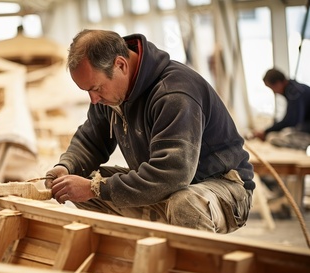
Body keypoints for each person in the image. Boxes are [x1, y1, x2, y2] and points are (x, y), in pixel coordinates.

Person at [44, 29, 255, 233]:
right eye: (88, 91)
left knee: (184, 203)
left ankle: (194, 266)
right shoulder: (110, 94)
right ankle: (132, 253)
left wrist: (95, 188)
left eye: (96, 88)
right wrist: (67, 166)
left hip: (223, 188)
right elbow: (91, 141)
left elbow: (173, 174)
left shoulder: (174, 92)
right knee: (75, 183)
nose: (94, 99)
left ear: (120, 65)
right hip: (170, 188)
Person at [252, 68, 310, 150]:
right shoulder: (295, 89)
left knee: (274, 138)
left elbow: (292, 121)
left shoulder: (294, 93)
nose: (274, 92)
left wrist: (266, 131)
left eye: (272, 88)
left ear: (278, 83)